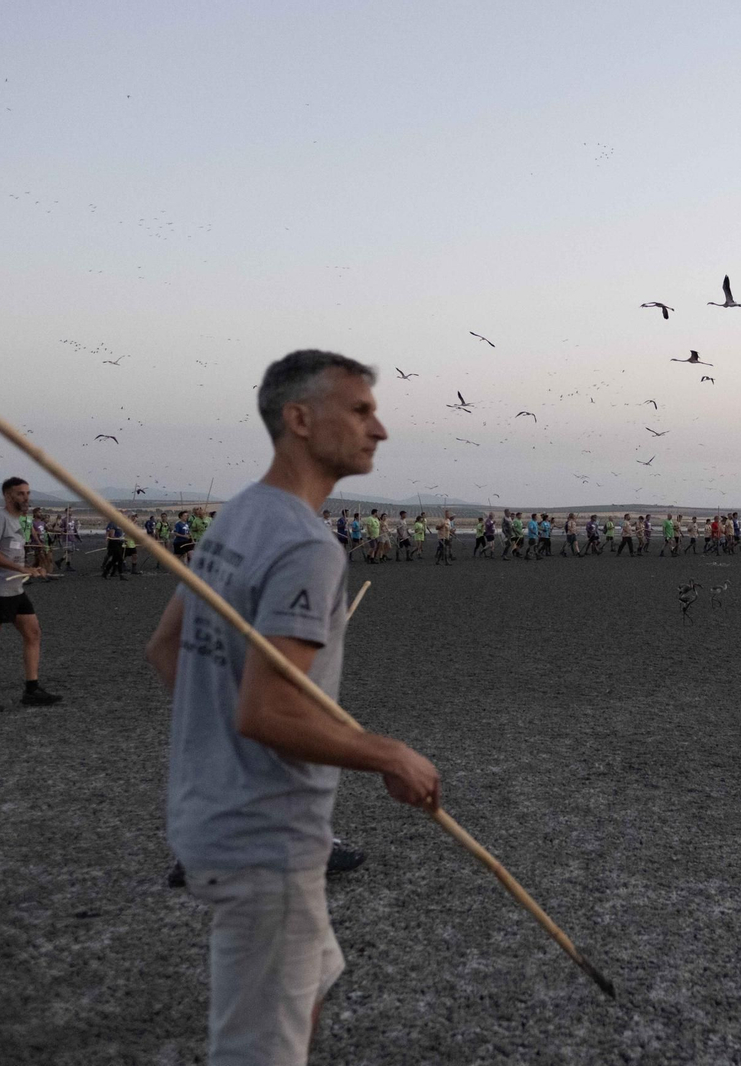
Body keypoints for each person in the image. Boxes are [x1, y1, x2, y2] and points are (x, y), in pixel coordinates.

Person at [145, 350, 438, 1065]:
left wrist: (229, 733)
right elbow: (267, 715)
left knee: (313, 978)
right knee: (257, 1050)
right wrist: (388, 754)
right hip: (261, 840)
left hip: (216, 816)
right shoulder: (307, 545)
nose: (381, 430)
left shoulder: (239, 514)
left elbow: (166, 647)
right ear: (299, 420)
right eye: (362, 410)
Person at [0, 478, 62, 713]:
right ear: (8, 496)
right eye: (20, 494)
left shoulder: (19, 520)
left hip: (15, 589)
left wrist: (33, 567)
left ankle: (31, 690)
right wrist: (21, 569)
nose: (26, 498)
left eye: (28, 493)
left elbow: (14, 554)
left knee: (33, 633)